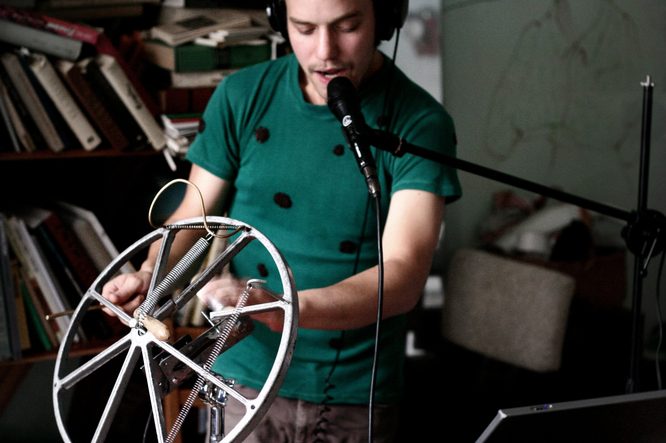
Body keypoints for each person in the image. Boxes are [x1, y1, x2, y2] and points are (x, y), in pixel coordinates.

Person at [103, 0, 461, 441]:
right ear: (279, 20)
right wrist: (150, 275)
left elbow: (403, 276)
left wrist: (284, 308)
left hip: (354, 393)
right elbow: (192, 219)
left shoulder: (420, 123)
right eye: (305, 29)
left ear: (384, 18)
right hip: (241, 379)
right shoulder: (241, 96)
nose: (325, 51)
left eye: (347, 26)